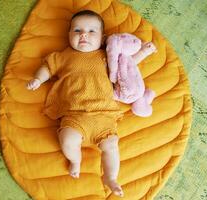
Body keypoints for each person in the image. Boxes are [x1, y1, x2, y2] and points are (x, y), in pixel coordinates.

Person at [27, 10, 156, 197]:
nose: (83, 35)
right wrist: (38, 80)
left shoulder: (106, 56)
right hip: (74, 115)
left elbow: (128, 67)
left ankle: (110, 177)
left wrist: (144, 51)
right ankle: (76, 160)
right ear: (69, 35)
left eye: (91, 31)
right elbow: (48, 67)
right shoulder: (63, 56)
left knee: (111, 145)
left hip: (104, 115)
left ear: (103, 38)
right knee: (67, 139)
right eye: (77, 30)